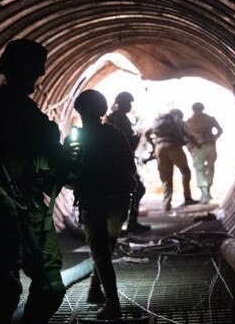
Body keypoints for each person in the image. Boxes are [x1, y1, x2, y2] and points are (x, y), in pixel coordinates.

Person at [0, 39, 75, 324]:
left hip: (28, 209)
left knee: (44, 287)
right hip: (3, 211)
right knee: (9, 287)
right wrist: (0, 197)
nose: (36, 80)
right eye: (34, 73)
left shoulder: (20, 112)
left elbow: (57, 164)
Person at [64, 90, 137, 320]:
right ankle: (96, 291)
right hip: (119, 199)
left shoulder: (76, 140)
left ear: (79, 111)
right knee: (107, 246)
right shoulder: (116, 134)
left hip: (93, 200)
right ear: (103, 110)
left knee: (100, 251)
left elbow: (68, 176)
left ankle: (113, 305)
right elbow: (130, 165)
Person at [105, 91, 151, 233]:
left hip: (116, 162)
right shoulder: (119, 119)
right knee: (136, 189)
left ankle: (119, 224)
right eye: (128, 103)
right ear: (122, 103)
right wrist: (136, 139)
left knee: (129, 190)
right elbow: (124, 143)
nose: (130, 105)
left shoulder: (115, 118)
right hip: (120, 163)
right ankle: (127, 223)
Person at [144, 109, 197, 211]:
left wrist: (153, 143)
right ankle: (187, 197)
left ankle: (166, 204)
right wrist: (196, 144)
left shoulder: (158, 121)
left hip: (159, 148)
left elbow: (147, 132)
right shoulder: (176, 120)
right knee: (185, 171)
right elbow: (188, 135)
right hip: (174, 147)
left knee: (166, 177)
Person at [185, 102, 223, 204]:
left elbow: (187, 138)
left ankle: (204, 193)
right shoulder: (210, 119)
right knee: (210, 168)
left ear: (193, 109)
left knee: (200, 170)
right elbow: (220, 130)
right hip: (211, 145)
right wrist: (214, 138)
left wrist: (190, 148)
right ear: (203, 108)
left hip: (198, 147)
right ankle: (208, 191)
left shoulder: (189, 121)